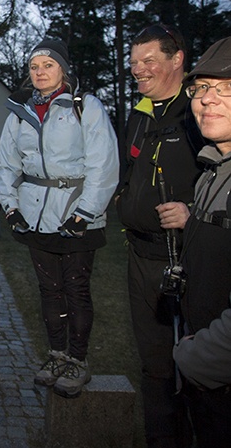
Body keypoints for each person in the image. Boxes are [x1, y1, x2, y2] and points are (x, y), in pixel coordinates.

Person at [0, 40, 118, 399]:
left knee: (76, 289)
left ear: (63, 69)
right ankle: (56, 356)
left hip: (76, 212)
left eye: (48, 64)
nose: (40, 71)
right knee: (49, 290)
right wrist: (11, 207)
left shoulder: (85, 106)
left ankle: (77, 361)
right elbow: (6, 164)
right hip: (35, 216)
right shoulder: (19, 112)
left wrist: (86, 212)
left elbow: (103, 163)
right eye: (35, 66)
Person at [116, 24, 204, 447]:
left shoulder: (200, 112)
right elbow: (129, 171)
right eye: (134, 62)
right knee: (153, 365)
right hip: (140, 258)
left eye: (148, 60)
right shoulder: (140, 112)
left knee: (197, 364)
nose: (138, 70)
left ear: (177, 59)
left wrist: (195, 213)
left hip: (190, 259)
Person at [169, 36, 231, 448]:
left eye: (226, 89)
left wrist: (196, 356)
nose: (209, 100)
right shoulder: (212, 170)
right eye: (202, 88)